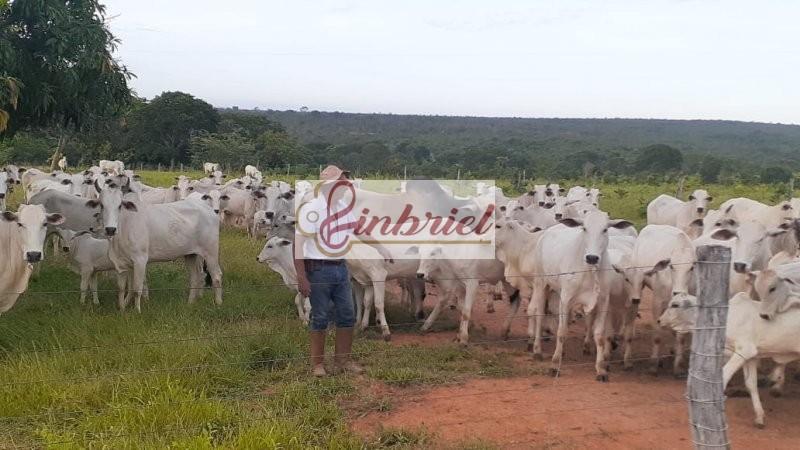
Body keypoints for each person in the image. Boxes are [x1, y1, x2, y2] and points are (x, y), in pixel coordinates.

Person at [294, 165, 393, 377]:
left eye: (345, 182)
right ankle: (318, 365)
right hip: (318, 270)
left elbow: (359, 230)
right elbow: (299, 244)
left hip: (341, 268)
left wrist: (381, 248)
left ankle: (343, 361)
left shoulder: (342, 208)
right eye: (341, 182)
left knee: (347, 315)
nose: (345, 186)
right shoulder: (311, 209)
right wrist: (301, 276)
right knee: (320, 317)